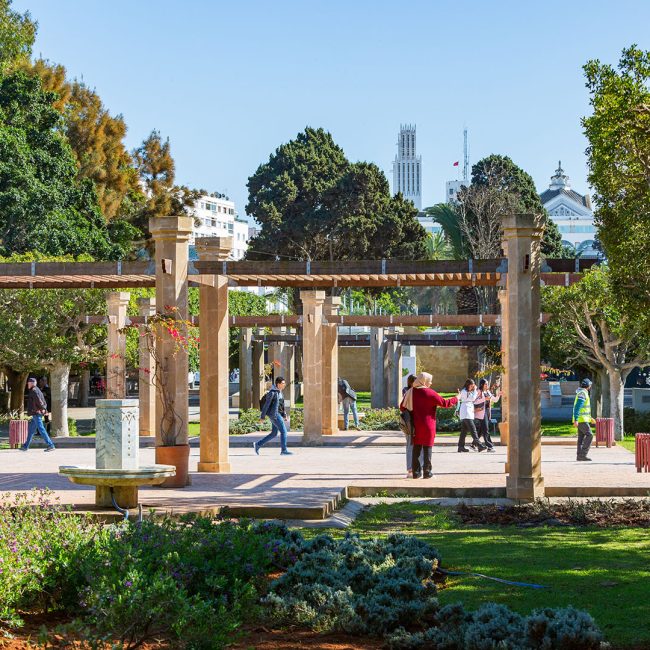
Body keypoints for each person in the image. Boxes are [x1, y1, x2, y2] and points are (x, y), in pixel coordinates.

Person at [400, 372, 458, 479]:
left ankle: (416, 473)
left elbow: (402, 407)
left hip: (415, 425)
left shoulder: (411, 392)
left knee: (416, 449)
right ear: (424, 381)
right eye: (430, 381)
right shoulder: (430, 393)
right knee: (427, 448)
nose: (431, 383)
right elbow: (445, 403)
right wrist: (457, 398)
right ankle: (427, 472)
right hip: (428, 425)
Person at [254, 376, 292, 455]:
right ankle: (284, 450)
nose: (284, 385)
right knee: (284, 431)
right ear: (278, 384)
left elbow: (281, 405)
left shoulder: (279, 392)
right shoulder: (272, 393)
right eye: (283, 383)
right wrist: (262, 417)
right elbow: (266, 405)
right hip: (275, 415)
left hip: (276, 414)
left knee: (274, 433)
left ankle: (258, 445)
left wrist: (284, 415)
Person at [20, 377, 56, 452]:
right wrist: (44, 409)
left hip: (36, 413)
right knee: (31, 430)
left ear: (32, 383)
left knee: (41, 429)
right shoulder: (37, 389)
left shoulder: (34, 391)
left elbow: (39, 401)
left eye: (29, 383)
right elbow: (43, 400)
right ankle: (25, 446)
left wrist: (43, 409)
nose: (28, 384)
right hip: (36, 413)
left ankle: (51, 445)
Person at [401, 374, 422, 477]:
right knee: (410, 444)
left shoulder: (414, 390)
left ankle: (417, 467)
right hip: (410, 421)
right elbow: (403, 406)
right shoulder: (408, 391)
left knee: (416, 444)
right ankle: (410, 468)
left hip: (413, 420)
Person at [458, 379, 486, 452]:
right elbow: (473, 398)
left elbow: (473, 398)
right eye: (471, 386)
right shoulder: (464, 391)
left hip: (467, 413)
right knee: (473, 430)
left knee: (464, 432)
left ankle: (460, 447)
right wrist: (475, 390)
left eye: (473, 386)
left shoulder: (468, 391)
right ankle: (479, 445)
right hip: (466, 413)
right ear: (467, 385)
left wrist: (474, 390)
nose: (472, 387)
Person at [472, 378, 499, 452]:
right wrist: (484, 399)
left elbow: (495, 400)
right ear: (482, 385)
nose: (487, 385)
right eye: (486, 384)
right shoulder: (478, 392)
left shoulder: (488, 392)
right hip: (481, 413)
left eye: (487, 384)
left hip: (487, 412)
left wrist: (498, 395)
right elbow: (474, 401)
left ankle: (473, 444)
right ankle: (489, 446)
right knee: (486, 429)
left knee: (481, 430)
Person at [573, 378, 594, 461]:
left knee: (581, 438)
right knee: (590, 435)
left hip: (582, 419)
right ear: (588, 386)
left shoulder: (582, 392)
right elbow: (578, 407)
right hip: (581, 420)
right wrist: (576, 419)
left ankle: (579, 456)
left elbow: (583, 409)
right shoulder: (583, 393)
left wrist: (590, 418)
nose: (590, 386)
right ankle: (583, 454)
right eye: (590, 385)